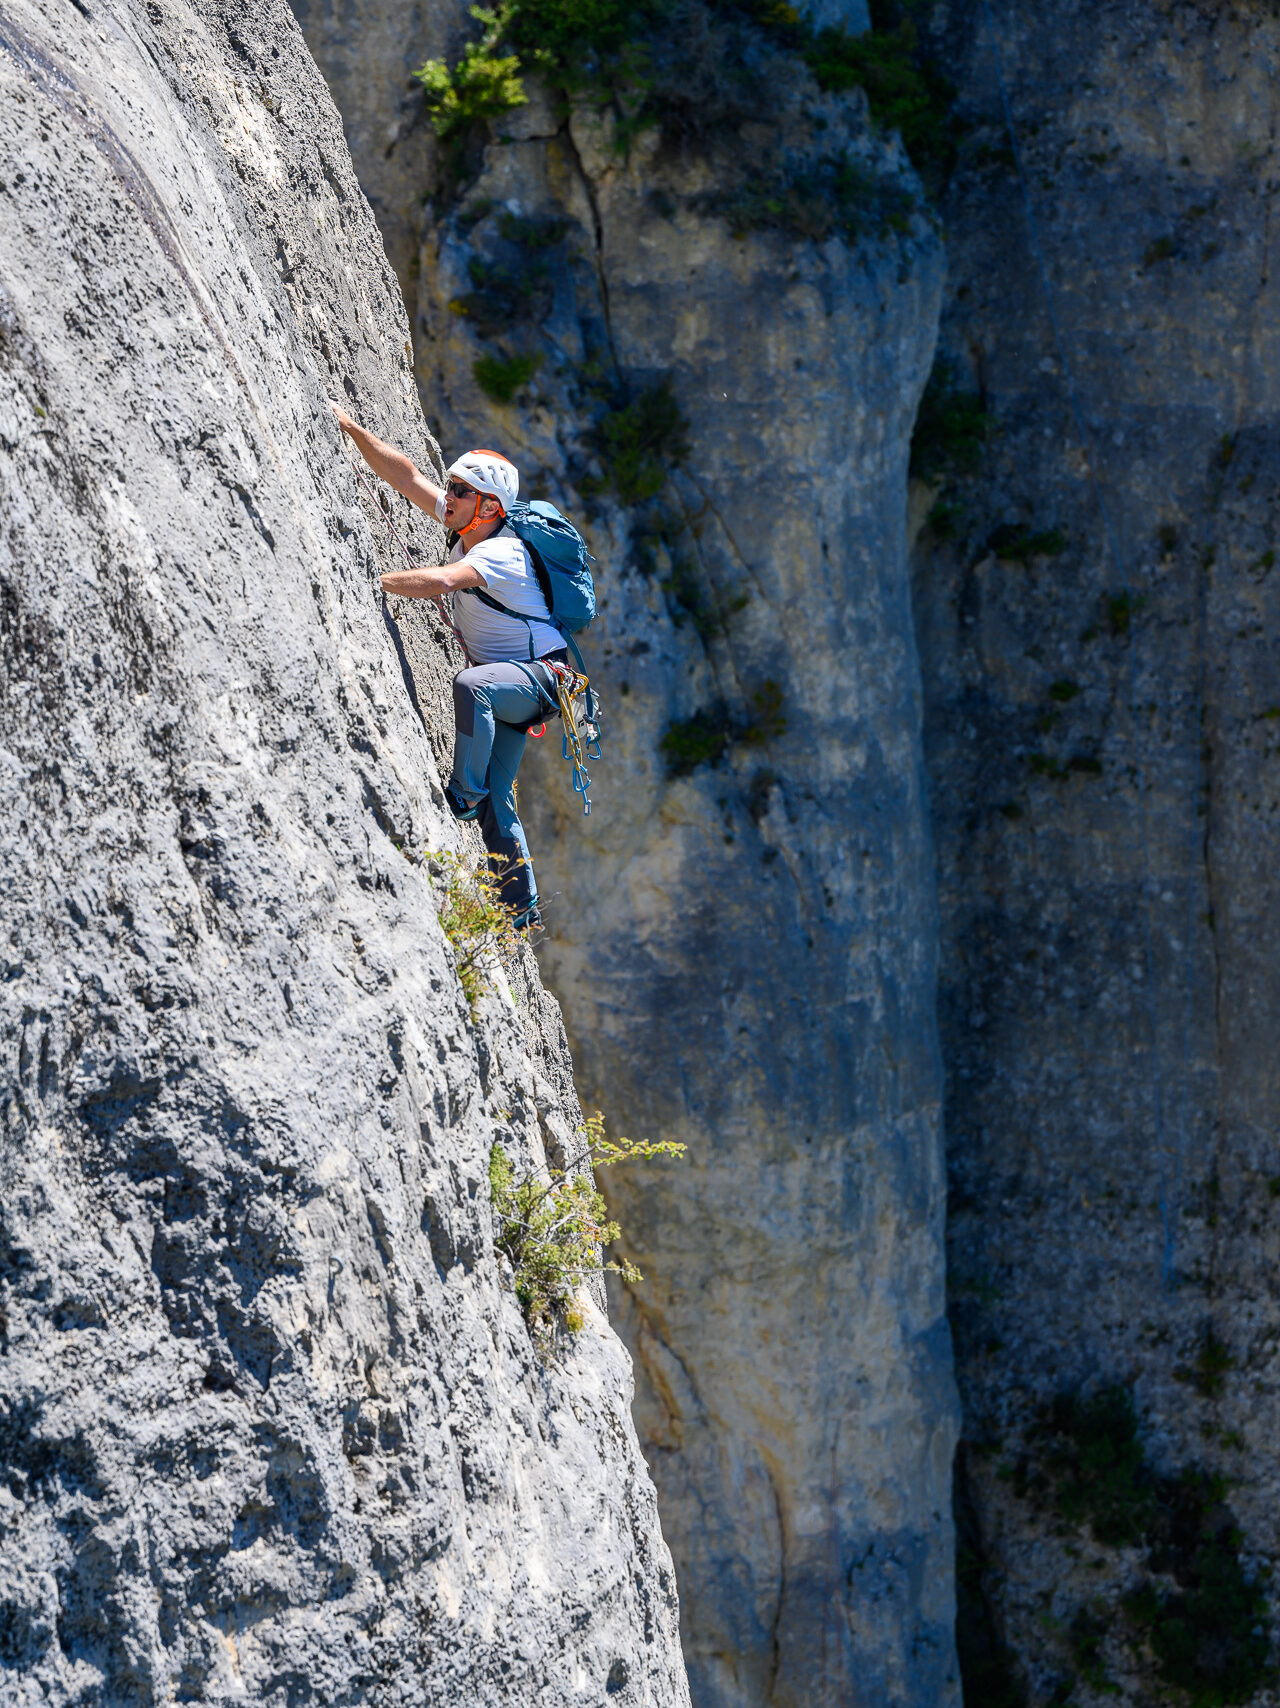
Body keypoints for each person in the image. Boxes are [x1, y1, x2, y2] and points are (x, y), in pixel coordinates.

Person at [331, 402, 563, 931]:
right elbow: (406, 476)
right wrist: (351, 429)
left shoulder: (502, 553)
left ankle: (462, 794)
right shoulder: (468, 524)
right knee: (500, 801)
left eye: (461, 491)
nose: (449, 496)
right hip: (518, 681)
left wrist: (372, 578)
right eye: (452, 487)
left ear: (488, 506)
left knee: (472, 688)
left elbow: (440, 582)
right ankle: (520, 909)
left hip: (540, 678)